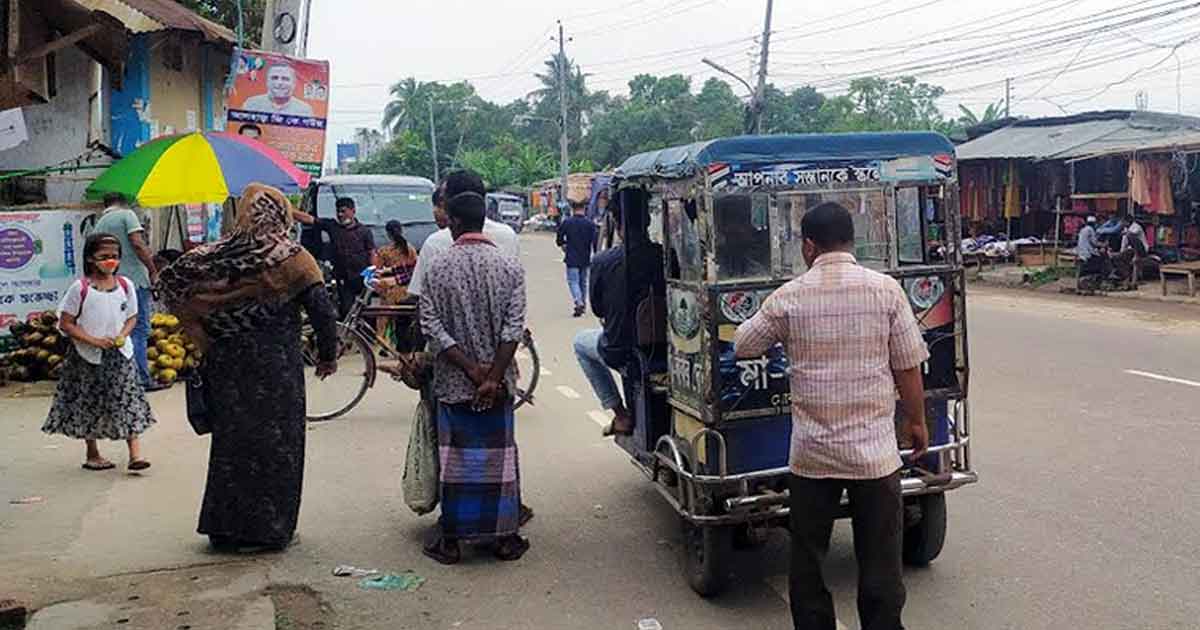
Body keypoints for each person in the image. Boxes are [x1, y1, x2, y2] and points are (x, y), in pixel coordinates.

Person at [732, 202, 929, 630]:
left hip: (813, 456)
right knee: (880, 556)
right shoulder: (885, 290)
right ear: (850, 240)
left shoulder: (790, 296)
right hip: (875, 456)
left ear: (807, 246)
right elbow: (908, 366)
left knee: (809, 557)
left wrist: (783, 339)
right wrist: (916, 422)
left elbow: (744, 344)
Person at [157, 184, 338, 552]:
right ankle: (267, 531)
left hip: (225, 365)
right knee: (276, 446)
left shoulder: (218, 255)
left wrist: (203, 335)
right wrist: (328, 355)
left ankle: (223, 529)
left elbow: (172, 282)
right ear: (282, 214)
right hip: (276, 368)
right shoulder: (293, 257)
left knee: (231, 446)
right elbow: (321, 308)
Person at [418, 190, 529, 564]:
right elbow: (513, 329)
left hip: (453, 383)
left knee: (455, 462)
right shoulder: (509, 268)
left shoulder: (437, 268)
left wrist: (469, 368)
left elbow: (430, 325)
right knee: (499, 462)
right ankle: (502, 538)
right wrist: (492, 377)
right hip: (497, 387)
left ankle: (451, 540)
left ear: (455, 222)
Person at [43, 233, 155, 471]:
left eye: (114, 256)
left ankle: (135, 455)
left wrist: (123, 334)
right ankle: (92, 453)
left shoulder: (126, 285)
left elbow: (132, 317)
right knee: (88, 401)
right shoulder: (80, 288)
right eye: (104, 257)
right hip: (87, 355)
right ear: (91, 259)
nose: (110, 261)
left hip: (120, 353)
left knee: (127, 399)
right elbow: (66, 323)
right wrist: (92, 340)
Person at [573, 205, 663, 437]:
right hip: (663, 344)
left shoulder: (603, 260)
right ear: (645, 223)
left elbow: (598, 308)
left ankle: (621, 415)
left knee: (580, 343)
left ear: (618, 226)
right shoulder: (664, 254)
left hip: (621, 348)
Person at [408, 170, 519, 298]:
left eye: (442, 199)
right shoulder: (508, 236)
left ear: (449, 204)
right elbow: (514, 301)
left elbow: (421, 296)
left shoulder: (435, 243)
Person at [93, 193, 160, 391]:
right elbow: (138, 244)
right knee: (138, 329)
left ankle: (121, 379)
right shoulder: (127, 215)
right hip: (134, 281)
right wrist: (153, 269)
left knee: (119, 330)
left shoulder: (100, 224)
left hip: (111, 283)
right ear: (123, 203)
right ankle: (141, 379)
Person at [293, 196, 375, 317]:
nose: (340, 215)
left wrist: (372, 273)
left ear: (353, 211)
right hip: (343, 277)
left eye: (343, 211)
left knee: (364, 309)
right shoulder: (332, 226)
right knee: (346, 309)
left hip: (361, 276)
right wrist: (287, 209)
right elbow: (309, 219)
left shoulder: (364, 231)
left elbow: (372, 252)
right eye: (338, 212)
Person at [372, 220, 419, 350]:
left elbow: (377, 271)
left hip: (388, 289)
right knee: (403, 320)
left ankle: (383, 346)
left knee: (384, 319)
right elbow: (415, 269)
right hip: (406, 289)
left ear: (388, 234)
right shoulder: (410, 249)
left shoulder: (383, 251)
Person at [556, 198, 596, 317]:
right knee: (583, 282)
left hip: (571, 257)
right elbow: (595, 242)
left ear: (572, 209)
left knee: (573, 281)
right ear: (584, 208)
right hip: (585, 257)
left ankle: (579, 302)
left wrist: (563, 245)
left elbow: (559, 238)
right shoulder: (590, 224)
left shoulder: (567, 222)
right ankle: (582, 303)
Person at [242, 62, 315, 116]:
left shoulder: (305, 110)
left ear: (294, 84)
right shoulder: (251, 104)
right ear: (267, 81)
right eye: (274, 78)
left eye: (285, 79)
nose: (279, 83)